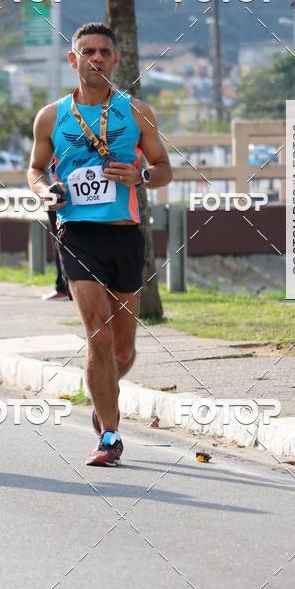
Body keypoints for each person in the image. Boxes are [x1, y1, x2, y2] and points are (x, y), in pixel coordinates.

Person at [27, 23, 172, 466]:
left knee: (122, 350)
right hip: (78, 233)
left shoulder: (137, 112)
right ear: (73, 59)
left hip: (124, 235)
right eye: (87, 51)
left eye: (104, 52)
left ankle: (103, 394)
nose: (96, 58)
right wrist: (45, 191)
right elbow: (35, 169)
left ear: (115, 60)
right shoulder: (51, 116)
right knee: (99, 334)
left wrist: (141, 176)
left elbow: (164, 168)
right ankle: (110, 435)